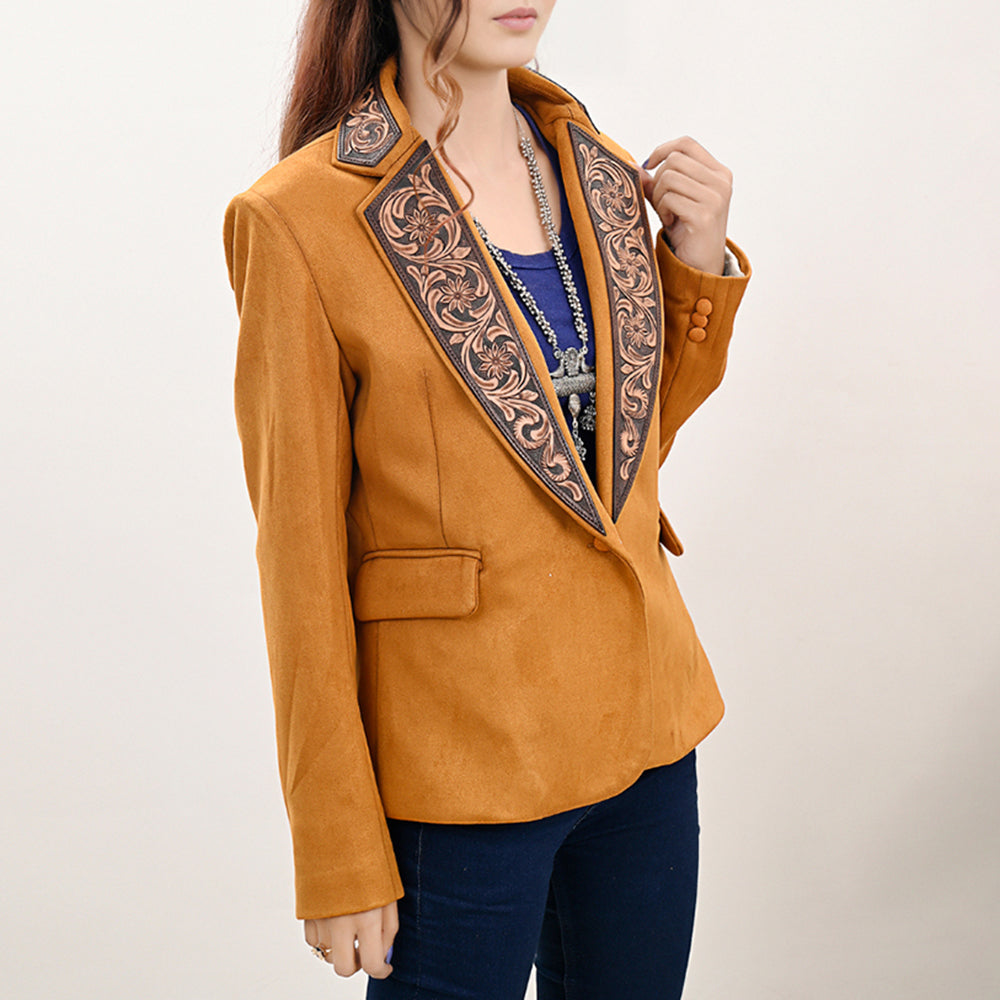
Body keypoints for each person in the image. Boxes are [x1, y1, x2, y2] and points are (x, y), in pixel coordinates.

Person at [222, 0, 751, 996]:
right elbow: (298, 562)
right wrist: (337, 845)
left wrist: (696, 266)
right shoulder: (299, 219)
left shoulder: (600, 171)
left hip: (646, 730)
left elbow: (619, 466)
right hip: (461, 764)